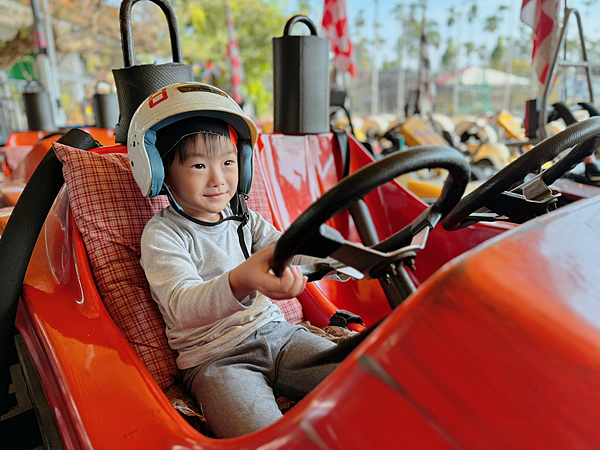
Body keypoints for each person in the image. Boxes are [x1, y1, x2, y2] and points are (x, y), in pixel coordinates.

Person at [128, 82, 342, 438]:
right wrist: (242, 279)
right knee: (260, 438)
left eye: (228, 162)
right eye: (198, 165)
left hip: (282, 336)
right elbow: (183, 306)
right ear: (159, 172)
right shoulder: (163, 235)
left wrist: (334, 254)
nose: (219, 179)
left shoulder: (245, 218)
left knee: (362, 381)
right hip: (217, 361)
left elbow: (285, 250)